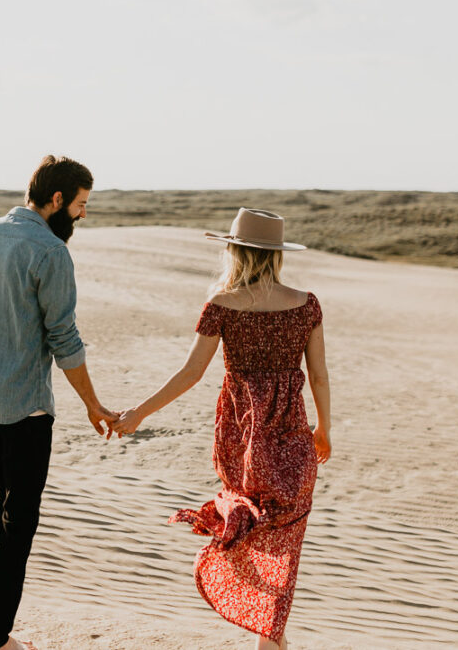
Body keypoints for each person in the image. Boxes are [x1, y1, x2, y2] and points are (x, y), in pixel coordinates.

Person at [112, 207, 331, 650]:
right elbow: (320, 374)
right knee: (286, 536)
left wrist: (140, 412)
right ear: (276, 255)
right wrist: (324, 427)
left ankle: (268, 631)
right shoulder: (306, 304)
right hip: (292, 438)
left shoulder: (220, 305)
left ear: (235, 251)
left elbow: (190, 373)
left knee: (253, 523)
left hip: (242, 440)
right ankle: (271, 636)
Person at [0, 155, 120, 650]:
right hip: (24, 408)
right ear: (57, 200)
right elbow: (64, 338)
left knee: (8, 495)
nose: (82, 215)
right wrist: (93, 403)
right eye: (80, 205)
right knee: (21, 523)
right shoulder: (51, 252)